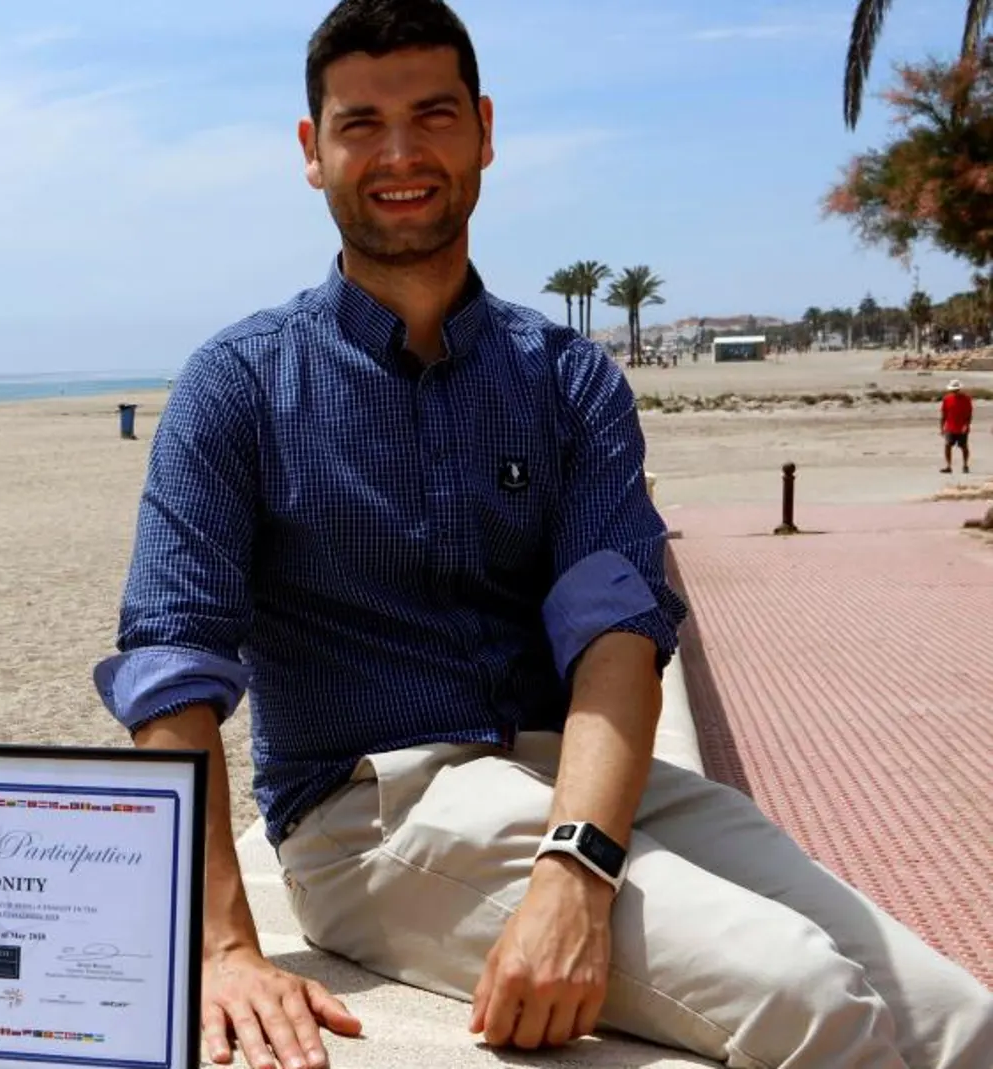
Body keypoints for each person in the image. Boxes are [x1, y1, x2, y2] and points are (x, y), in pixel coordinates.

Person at [92, 2, 993, 1066]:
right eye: (359, 124)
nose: (399, 154)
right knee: (803, 993)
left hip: (569, 778)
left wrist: (574, 864)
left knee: (955, 1016)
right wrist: (223, 946)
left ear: (482, 129)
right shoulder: (239, 386)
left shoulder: (563, 380)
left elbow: (617, 635)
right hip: (367, 812)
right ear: (312, 151)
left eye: (431, 115)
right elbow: (170, 665)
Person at [941, 379, 972, 474]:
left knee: (964, 447)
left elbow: (969, 414)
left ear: (959, 389)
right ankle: (948, 466)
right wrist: (942, 427)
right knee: (947, 446)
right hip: (950, 427)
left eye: (956, 389)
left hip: (962, 427)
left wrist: (966, 425)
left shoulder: (967, 399)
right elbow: (944, 414)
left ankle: (965, 465)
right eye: (953, 390)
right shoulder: (947, 399)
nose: (954, 391)